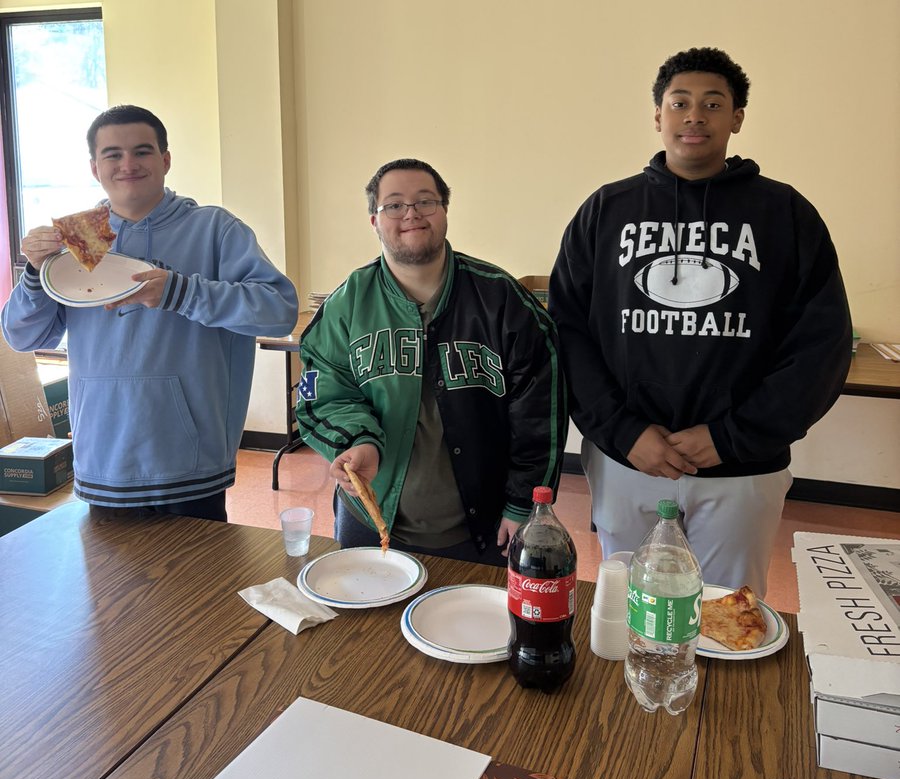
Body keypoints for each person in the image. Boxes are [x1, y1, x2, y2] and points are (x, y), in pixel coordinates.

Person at [549, 48, 851, 595]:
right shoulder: (606, 211)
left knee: (728, 613)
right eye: (680, 102)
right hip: (627, 458)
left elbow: (820, 346)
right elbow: (567, 331)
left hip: (740, 467)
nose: (695, 115)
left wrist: (733, 436)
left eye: (713, 104)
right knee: (633, 602)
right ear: (658, 116)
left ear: (736, 118)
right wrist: (621, 430)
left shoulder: (785, 214)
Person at [2, 104, 298, 521]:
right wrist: (36, 273)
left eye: (142, 151)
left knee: (196, 583)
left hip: (190, 462)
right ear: (94, 167)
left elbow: (278, 311)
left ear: (165, 159)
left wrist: (180, 292)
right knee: (109, 587)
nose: (128, 164)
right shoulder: (80, 237)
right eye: (113, 155)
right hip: (104, 459)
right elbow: (22, 336)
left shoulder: (213, 228)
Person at [295, 157, 567, 566]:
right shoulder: (346, 304)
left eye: (426, 201)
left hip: (486, 526)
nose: (411, 214)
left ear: (444, 212)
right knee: (362, 631)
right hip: (369, 518)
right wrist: (359, 441)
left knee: (477, 628)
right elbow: (325, 393)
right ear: (374, 220)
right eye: (394, 205)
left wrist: (522, 504)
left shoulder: (502, 300)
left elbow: (540, 413)